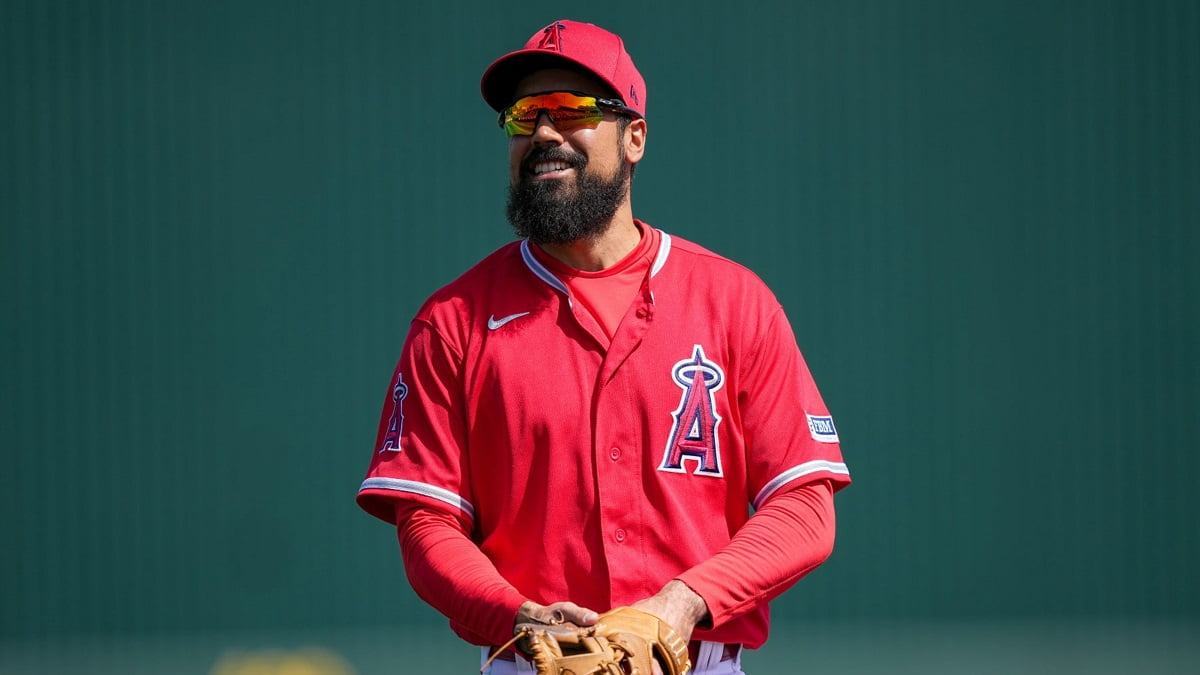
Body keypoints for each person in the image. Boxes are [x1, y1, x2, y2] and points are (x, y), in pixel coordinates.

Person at [356, 19, 851, 675]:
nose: (543, 134)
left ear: (635, 137)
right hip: (532, 662)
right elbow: (426, 524)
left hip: (692, 657)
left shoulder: (733, 301)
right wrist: (517, 613)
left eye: (571, 111)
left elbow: (804, 507)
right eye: (524, 116)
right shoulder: (454, 320)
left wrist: (683, 601)